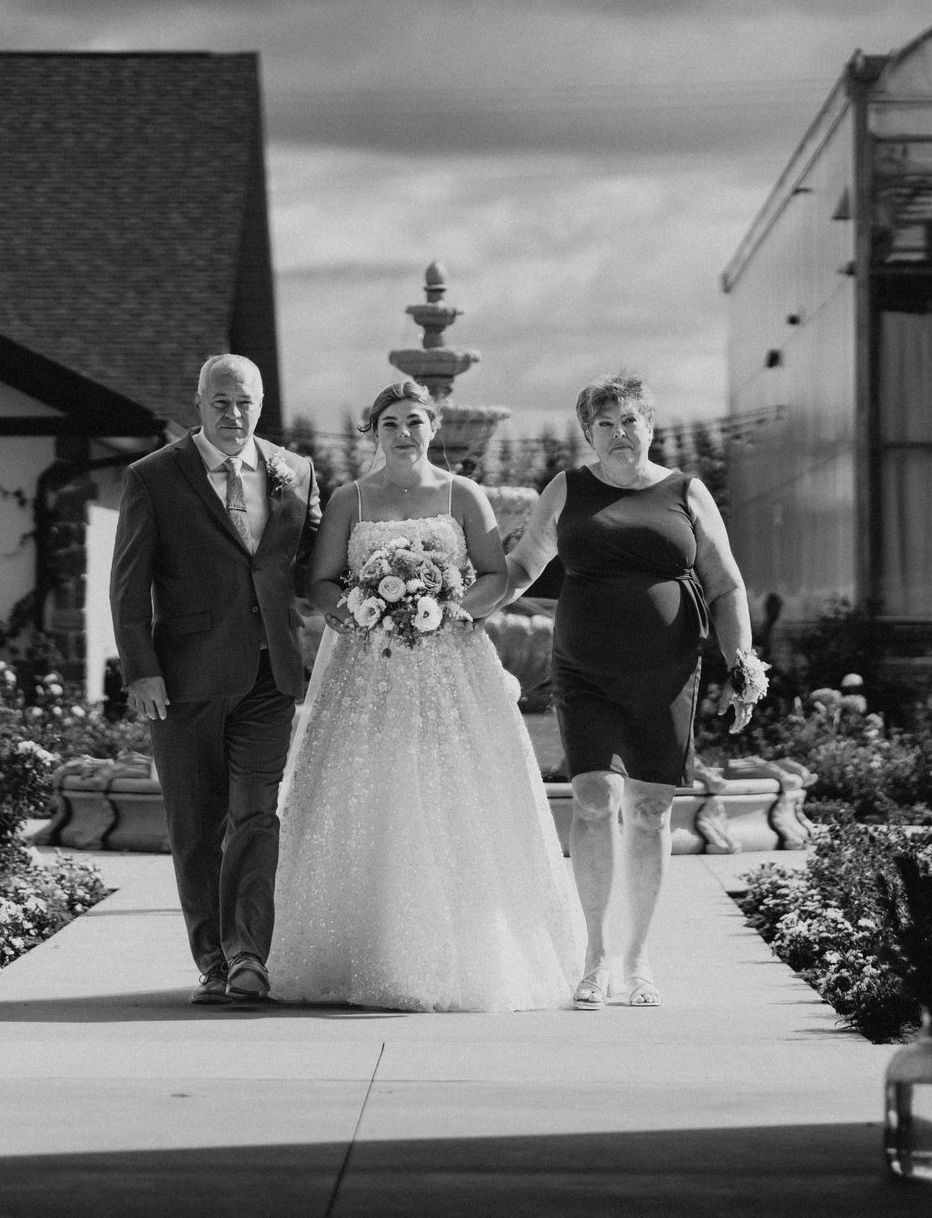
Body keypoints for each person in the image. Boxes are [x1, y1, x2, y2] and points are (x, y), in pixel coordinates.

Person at [270, 381, 583, 1010]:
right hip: (367, 669)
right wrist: (361, 610)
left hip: (451, 667)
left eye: (415, 421)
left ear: (433, 427)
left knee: (455, 793)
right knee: (370, 790)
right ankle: (364, 948)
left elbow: (496, 574)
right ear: (373, 431)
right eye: (391, 422)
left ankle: (465, 954)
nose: (404, 432)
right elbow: (321, 581)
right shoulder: (348, 499)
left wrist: (444, 609)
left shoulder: (463, 495)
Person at [503, 372, 764, 1010]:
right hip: (583, 667)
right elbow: (520, 568)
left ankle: (638, 957)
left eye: (630, 422)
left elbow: (726, 586)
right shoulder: (568, 489)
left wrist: (741, 662)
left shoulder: (687, 491)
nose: (620, 435)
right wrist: (454, 599)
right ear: (589, 434)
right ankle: (593, 957)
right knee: (593, 798)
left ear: (650, 427)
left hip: (667, 667)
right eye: (605, 425)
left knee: (649, 810)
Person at [110, 354, 324, 1005]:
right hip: (183, 678)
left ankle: (248, 956)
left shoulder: (298, 473)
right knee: (197, 825)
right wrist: (140, 670)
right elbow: (128, 585)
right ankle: (211, 958)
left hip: (269, 674)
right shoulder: (153, 477)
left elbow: (314, 566)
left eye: (246, 403)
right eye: (221, 402)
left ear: (261, 405)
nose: (235, 415)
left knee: (256, 813)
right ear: (200, 404)